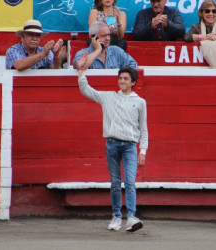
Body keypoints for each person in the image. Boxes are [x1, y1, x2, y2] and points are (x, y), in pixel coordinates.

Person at [76, 55, 148, 232]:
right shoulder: (108, 97)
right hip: (112, 144)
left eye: (126, 79)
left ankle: (131, 217)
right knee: (116, 182)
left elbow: (143, 128)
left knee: (130, 182)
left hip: (131, 146)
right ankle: (116, 216)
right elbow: (86, 90)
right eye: (120, 78)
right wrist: (81, 71)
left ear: (133, 83)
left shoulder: (140, 102)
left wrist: (143, 150)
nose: (122, 81)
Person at [73, 21, 137, 70]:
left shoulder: (116, 51)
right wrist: (98, 50)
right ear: (93, 37)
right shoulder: (82, 53)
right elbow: (81, 67)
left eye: (109, 35)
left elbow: (134, 65)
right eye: (104, 36)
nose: (108, 39)